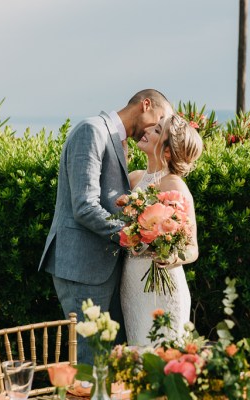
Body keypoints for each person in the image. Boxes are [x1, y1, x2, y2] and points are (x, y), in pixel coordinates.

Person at [38, 89, 173, 365]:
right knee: (92, 363)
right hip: (82, 268)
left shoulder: (116, 140)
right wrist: (134, 236)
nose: (158, 130)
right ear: (145, 105)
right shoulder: (92, 131)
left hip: (105, 269)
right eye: (159, 120)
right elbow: (85, 206)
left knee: (113, 361)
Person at [120, 113, 203, 346]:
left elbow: (192, 248)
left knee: (164, 359)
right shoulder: (134, 179)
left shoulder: (174, 185)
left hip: (162, 287)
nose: (146, 130)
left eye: (156, 130)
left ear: (167, 151)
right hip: (132, 285)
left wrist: (172, 255)